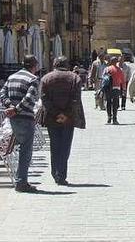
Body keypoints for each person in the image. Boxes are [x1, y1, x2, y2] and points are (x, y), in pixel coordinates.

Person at [39, 57, 85, 186]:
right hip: (68, 119)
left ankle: (55, 173)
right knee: (65, 146)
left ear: (54, 64)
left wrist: (56, 113)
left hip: (52, 118)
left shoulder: (46, 78)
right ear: (67, 64)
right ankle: (61, 174)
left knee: (54, 146)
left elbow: (44, 99)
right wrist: (66, 114)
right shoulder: (75, 78)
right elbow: (76, 100)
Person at [1, 55, 41, 192]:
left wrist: (9, 107)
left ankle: (21, 180)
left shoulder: (11, 77)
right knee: (25, 150)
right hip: (25, 117)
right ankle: (21, 182)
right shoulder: (33, 79)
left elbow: (2, 93)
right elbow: (30, 98)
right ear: (34, 66)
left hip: (13, 119)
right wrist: (16, 109)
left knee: (20, 147)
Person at [104, 57, 126, 125]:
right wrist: (124, 89)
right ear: (116, 62)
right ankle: (115, 119)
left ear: (110, 61)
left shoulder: (107, 69)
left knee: (108, 102)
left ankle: (109, 118)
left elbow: (104, 79)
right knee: (115, 104)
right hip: (117, 88)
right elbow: (123, 80)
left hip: (108, 88)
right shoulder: (120, 70)